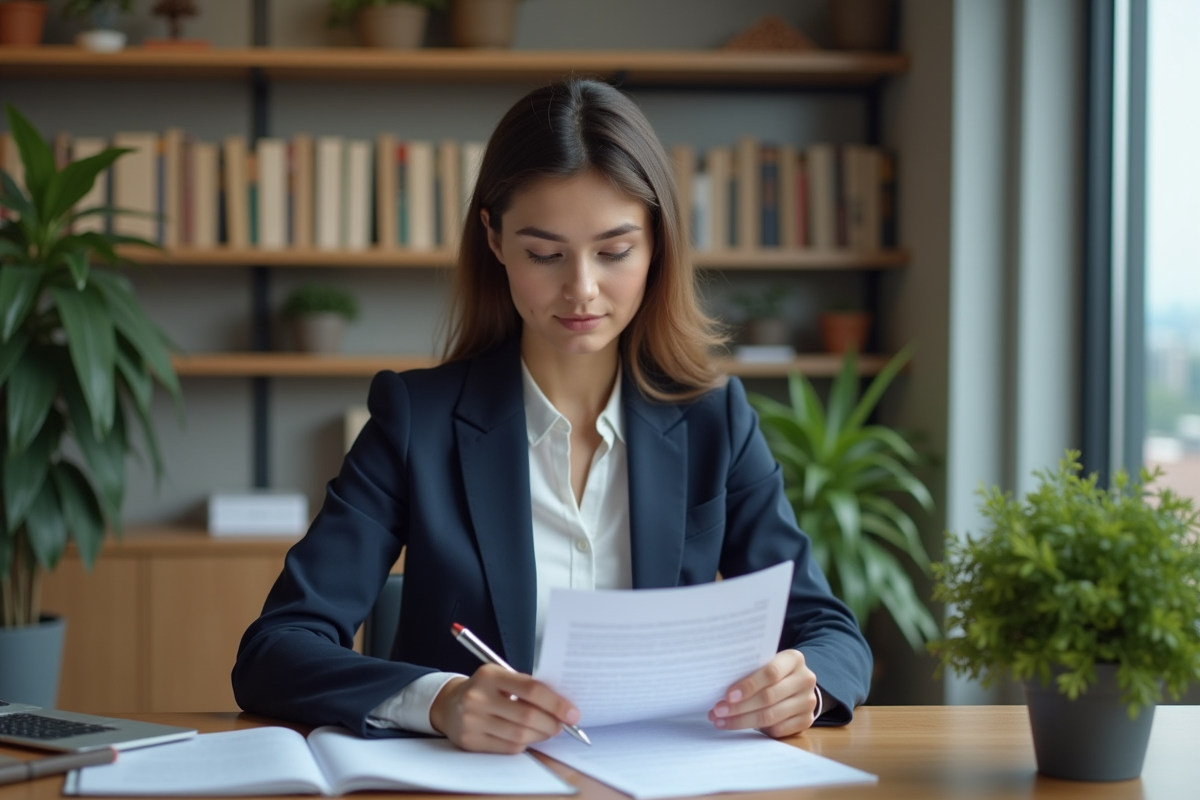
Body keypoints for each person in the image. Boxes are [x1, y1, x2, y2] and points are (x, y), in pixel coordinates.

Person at [232, 78, 872, 754]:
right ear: (495, 239)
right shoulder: (415, 420)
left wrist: (803, 684)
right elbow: (275, 650)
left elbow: (832, 636)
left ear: (657, 245)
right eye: (545, 253)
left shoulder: (716, 421)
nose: (582, 289)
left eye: (615, 250)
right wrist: (441, 701)